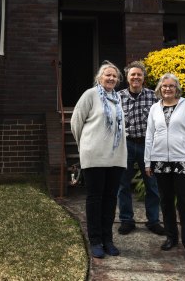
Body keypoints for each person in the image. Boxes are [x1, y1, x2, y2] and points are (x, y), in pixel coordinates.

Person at [71, 61, 127, 259]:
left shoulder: (118, 98)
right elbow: (76, 122)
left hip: (116, 157)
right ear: (99, 77)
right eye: (107, 75)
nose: (111, 78)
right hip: (94, 155)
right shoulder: (90, 95)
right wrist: (85, 146)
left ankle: (107, 239)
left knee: (111, 199)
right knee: (95, 199)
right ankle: (95, 240)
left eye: (115, 76)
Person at [144, 73, 185, 260]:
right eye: (164, 86)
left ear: (177, 88)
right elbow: (150, 136)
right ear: (159, 89)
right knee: (166, 202)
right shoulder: (154, 108)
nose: (167, 89)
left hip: (182, 161)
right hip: (160, 160)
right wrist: (148, 161)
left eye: (171, 86)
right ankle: (171, 238)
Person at [117, 61, 165, 236]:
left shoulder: (154, 97)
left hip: (147, 145)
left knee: (152, 184)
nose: (136, 77)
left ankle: (153, 221)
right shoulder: (118, 97)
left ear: (144, 78)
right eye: (132, 74)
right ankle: (126, 220)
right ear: (127, 77)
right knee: (123, 184)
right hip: (126, 144)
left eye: (139, 74)